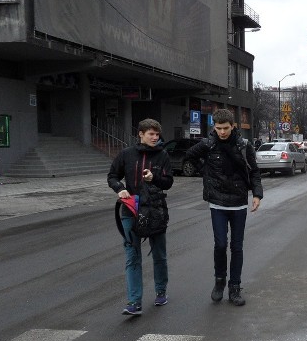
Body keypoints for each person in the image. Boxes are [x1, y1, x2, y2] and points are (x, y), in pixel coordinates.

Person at [185, 109, 263, 306]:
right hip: (217, 201)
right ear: (214, 127)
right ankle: (219, 282)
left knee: (236, 246)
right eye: (218, 128)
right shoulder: (208, 144)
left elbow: (254, 171)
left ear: (232, 126)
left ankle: (234, 288)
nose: (222, 132)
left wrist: (257, 194)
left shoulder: (243, 145)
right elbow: (189, 156)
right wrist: (206, 173)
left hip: (238, 201)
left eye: (225, 128)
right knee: (220, 244)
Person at [107, 118, 174, 315]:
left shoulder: (162, 155)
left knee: (159, 254)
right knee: (132, 257)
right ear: (141, 134)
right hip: (131, 211)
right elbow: (112, 176)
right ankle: (134, 302)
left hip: (155, 211)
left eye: (157, 134)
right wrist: (120, 189)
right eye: (151, 134)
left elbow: (168, 182)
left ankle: (161, 291)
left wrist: (155, 178)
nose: (155, 137)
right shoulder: (127, 154)